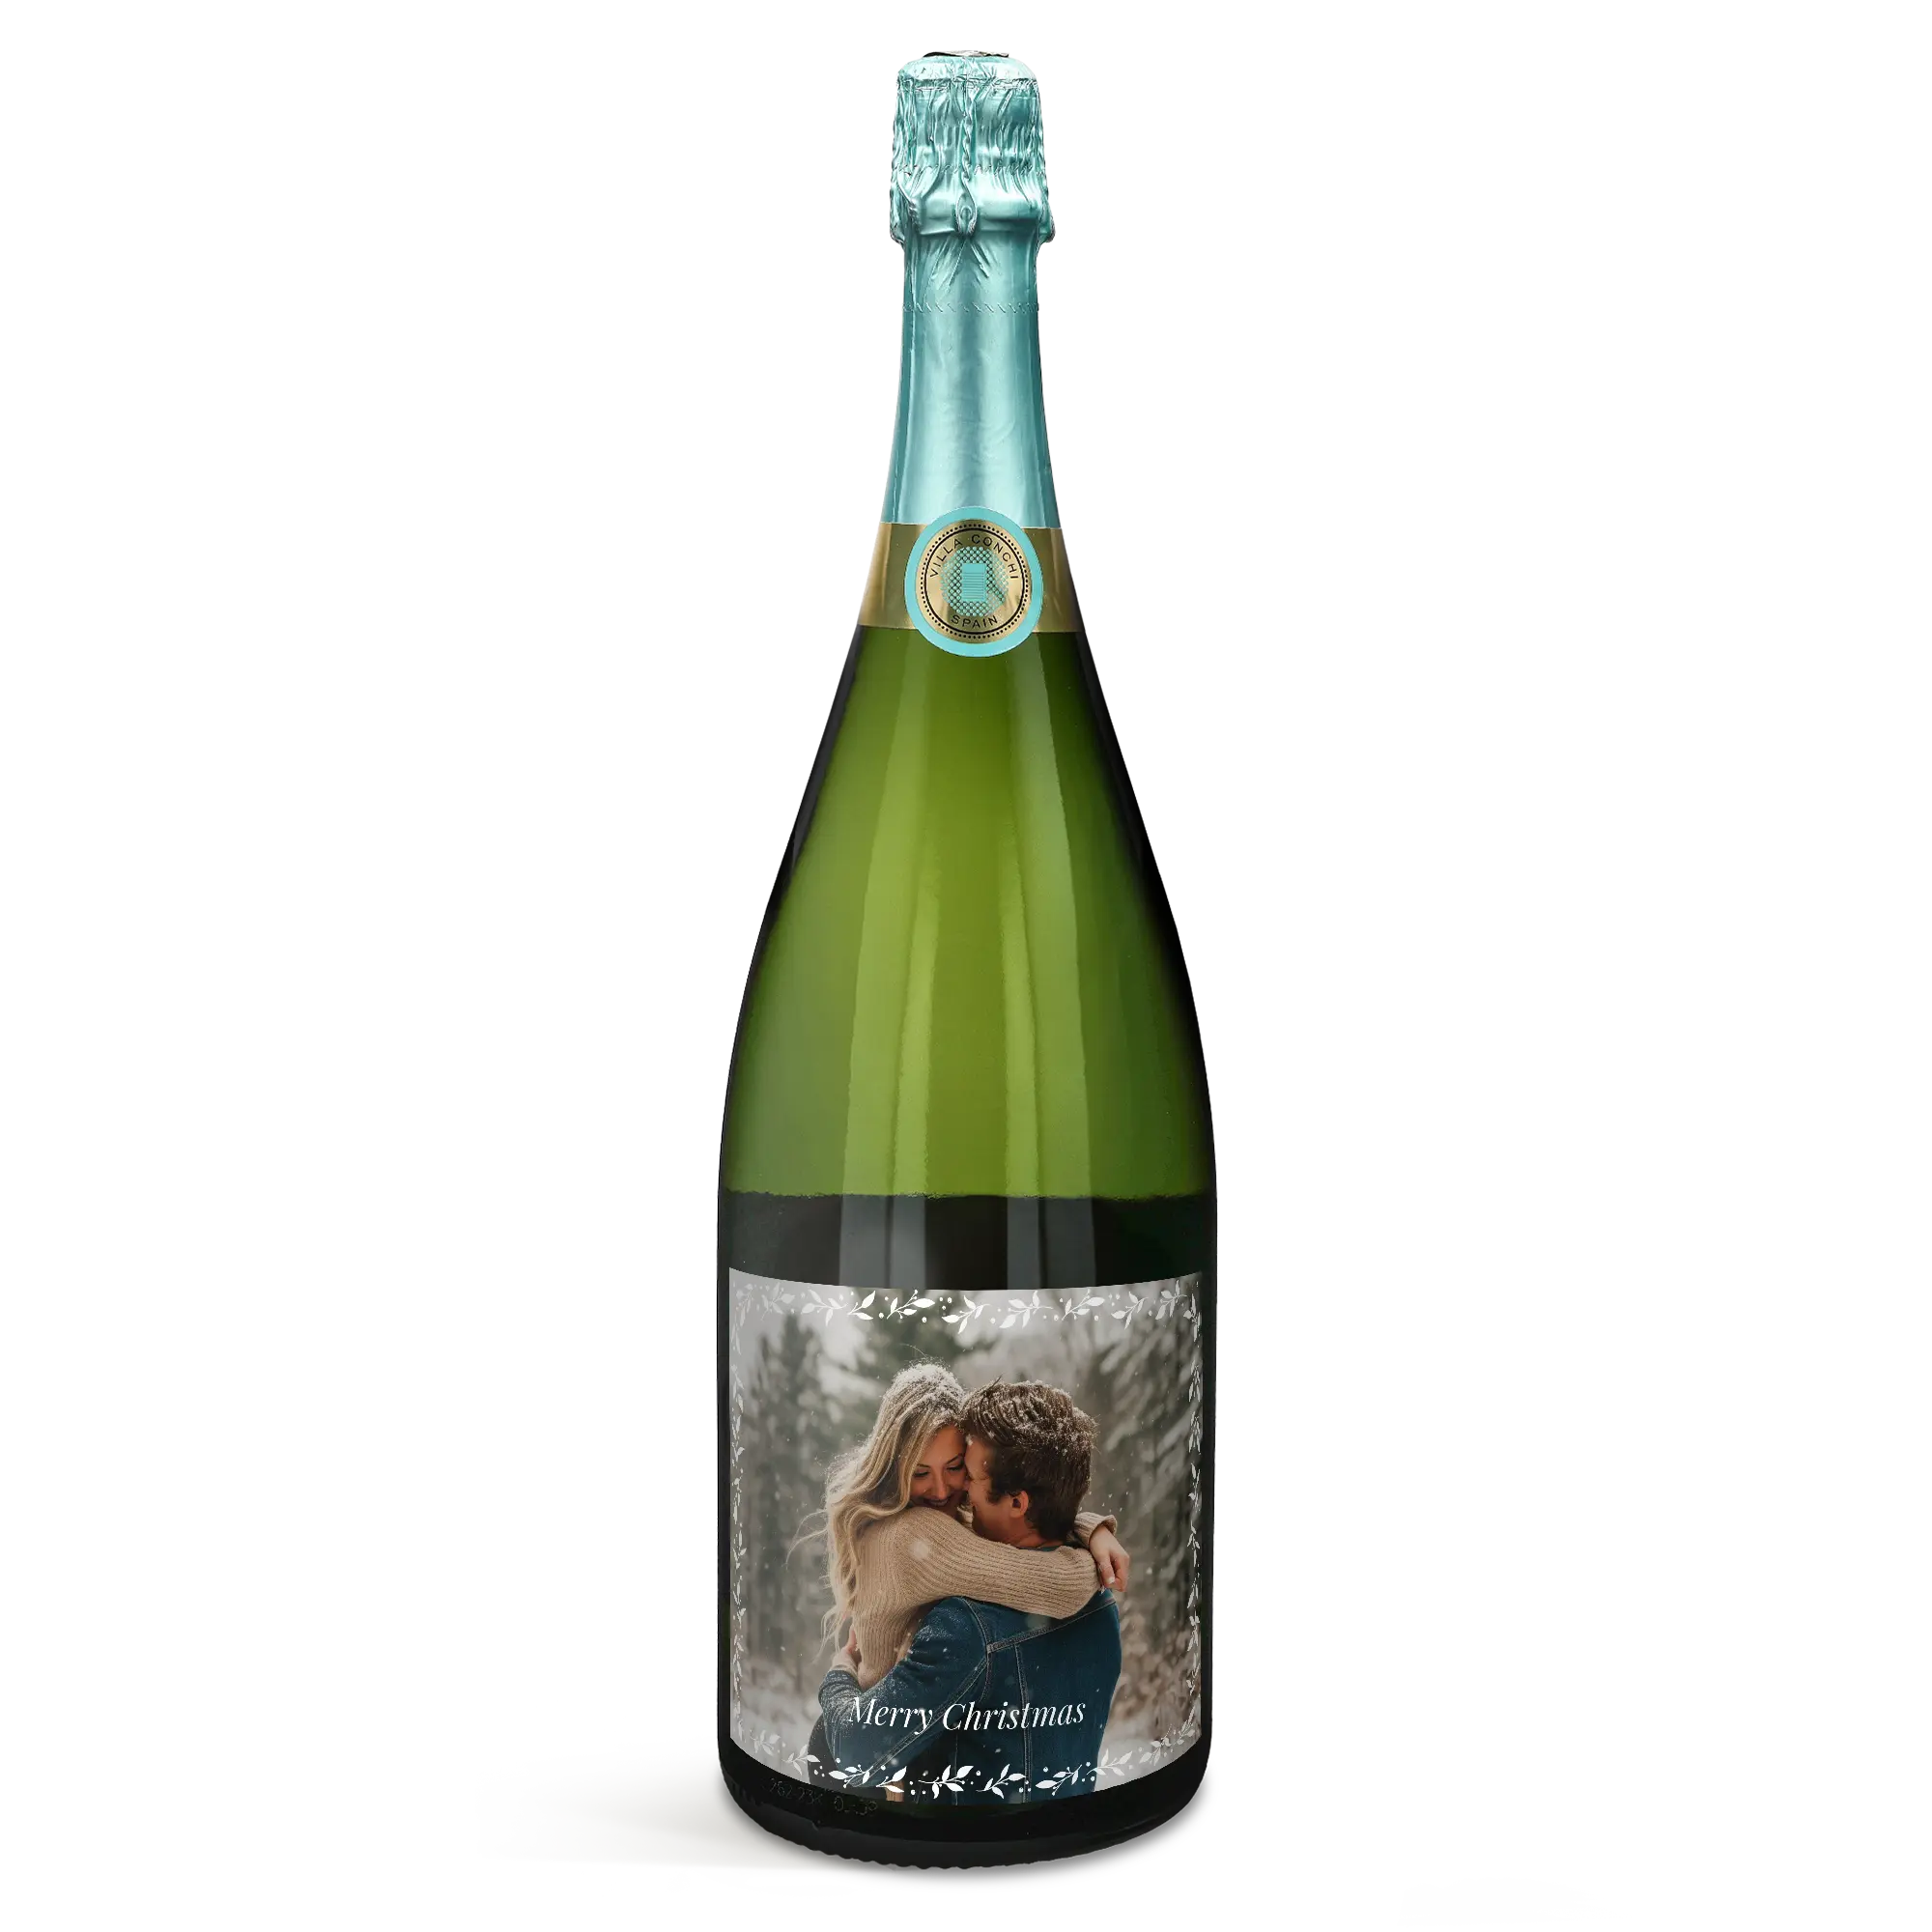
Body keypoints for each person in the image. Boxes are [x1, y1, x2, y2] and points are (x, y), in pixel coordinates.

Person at [800, 1363, 1128, 1784]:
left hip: (892, 1744)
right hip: (871, 1755)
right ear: (894, 1468)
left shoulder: (953, 1518)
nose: (942, 1490)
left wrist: (1086, 1526)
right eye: (920, 1472)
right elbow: (1057, 1584)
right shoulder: (917, 1536)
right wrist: (1093, 1554)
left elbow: (1024, 1514)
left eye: (957, 1468)